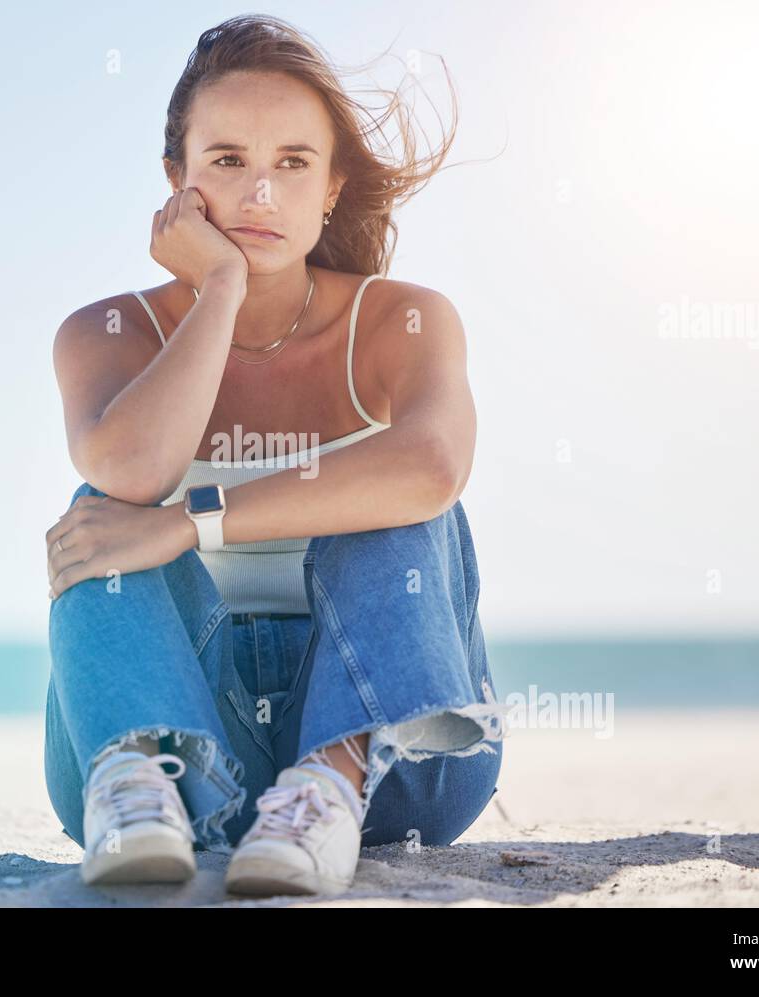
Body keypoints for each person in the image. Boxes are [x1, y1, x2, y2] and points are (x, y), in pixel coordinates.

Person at [43, 13, 507, 897]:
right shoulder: (104, 334)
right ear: (176, 183)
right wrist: (220, 286)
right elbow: (131, 473)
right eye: (227, 161)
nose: (261, 196)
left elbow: (433, 468)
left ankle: (322, 788)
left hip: (394, 758)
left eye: (293, 163)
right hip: (174, 733)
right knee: (97, 503)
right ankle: (140, 788)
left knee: (397, 493)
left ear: (333, 187)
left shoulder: (403, 321)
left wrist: (192, 524)